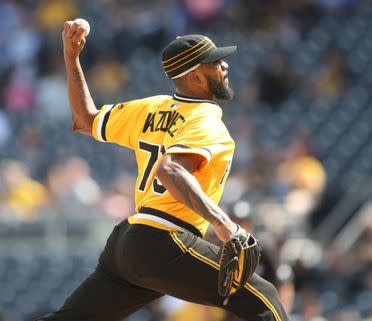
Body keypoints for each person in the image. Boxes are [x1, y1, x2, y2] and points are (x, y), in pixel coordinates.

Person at [38, 19, 289, 321]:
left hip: (127, 242)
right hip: (164, 240)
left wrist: (71, 57)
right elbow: (169, 170)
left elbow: (84, 119)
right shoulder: (205, 120)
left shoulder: (150, 107)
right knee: (265, 299)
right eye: (216, 62)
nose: (225, 66)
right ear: (195, 75)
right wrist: (225, 225)